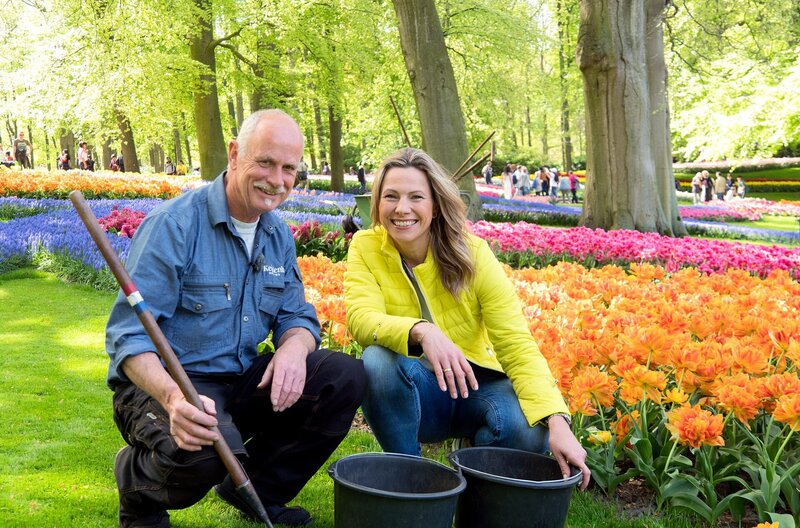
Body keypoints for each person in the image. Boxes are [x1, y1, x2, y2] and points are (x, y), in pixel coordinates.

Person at [105, 109, 367, 528]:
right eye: (265, 162)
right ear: (233, 154)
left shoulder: (276, 234)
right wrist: (174, 399)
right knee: (202, 453)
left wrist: (294, 349)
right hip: (167, 383)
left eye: (288, 169)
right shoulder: (174, 225)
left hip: (239, 381)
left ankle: (259, 490)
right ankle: (138, 488)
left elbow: (296, 313)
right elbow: (127, 338)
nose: (277, 180)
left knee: (344, 376)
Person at [344, 147, 591, 492]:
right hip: (416, 389)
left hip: (475, 386)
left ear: (435, 205)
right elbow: (360, 317)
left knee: (526, 425)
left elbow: (515, 341)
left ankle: (476, 488)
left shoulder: (472, 252)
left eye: (416, 197)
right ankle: (409, 483)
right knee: (376, 361)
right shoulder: (365, 247)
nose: (402, 209)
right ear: (377, 203)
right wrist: (422, 331)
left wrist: (557, 420)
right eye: (391, 197)